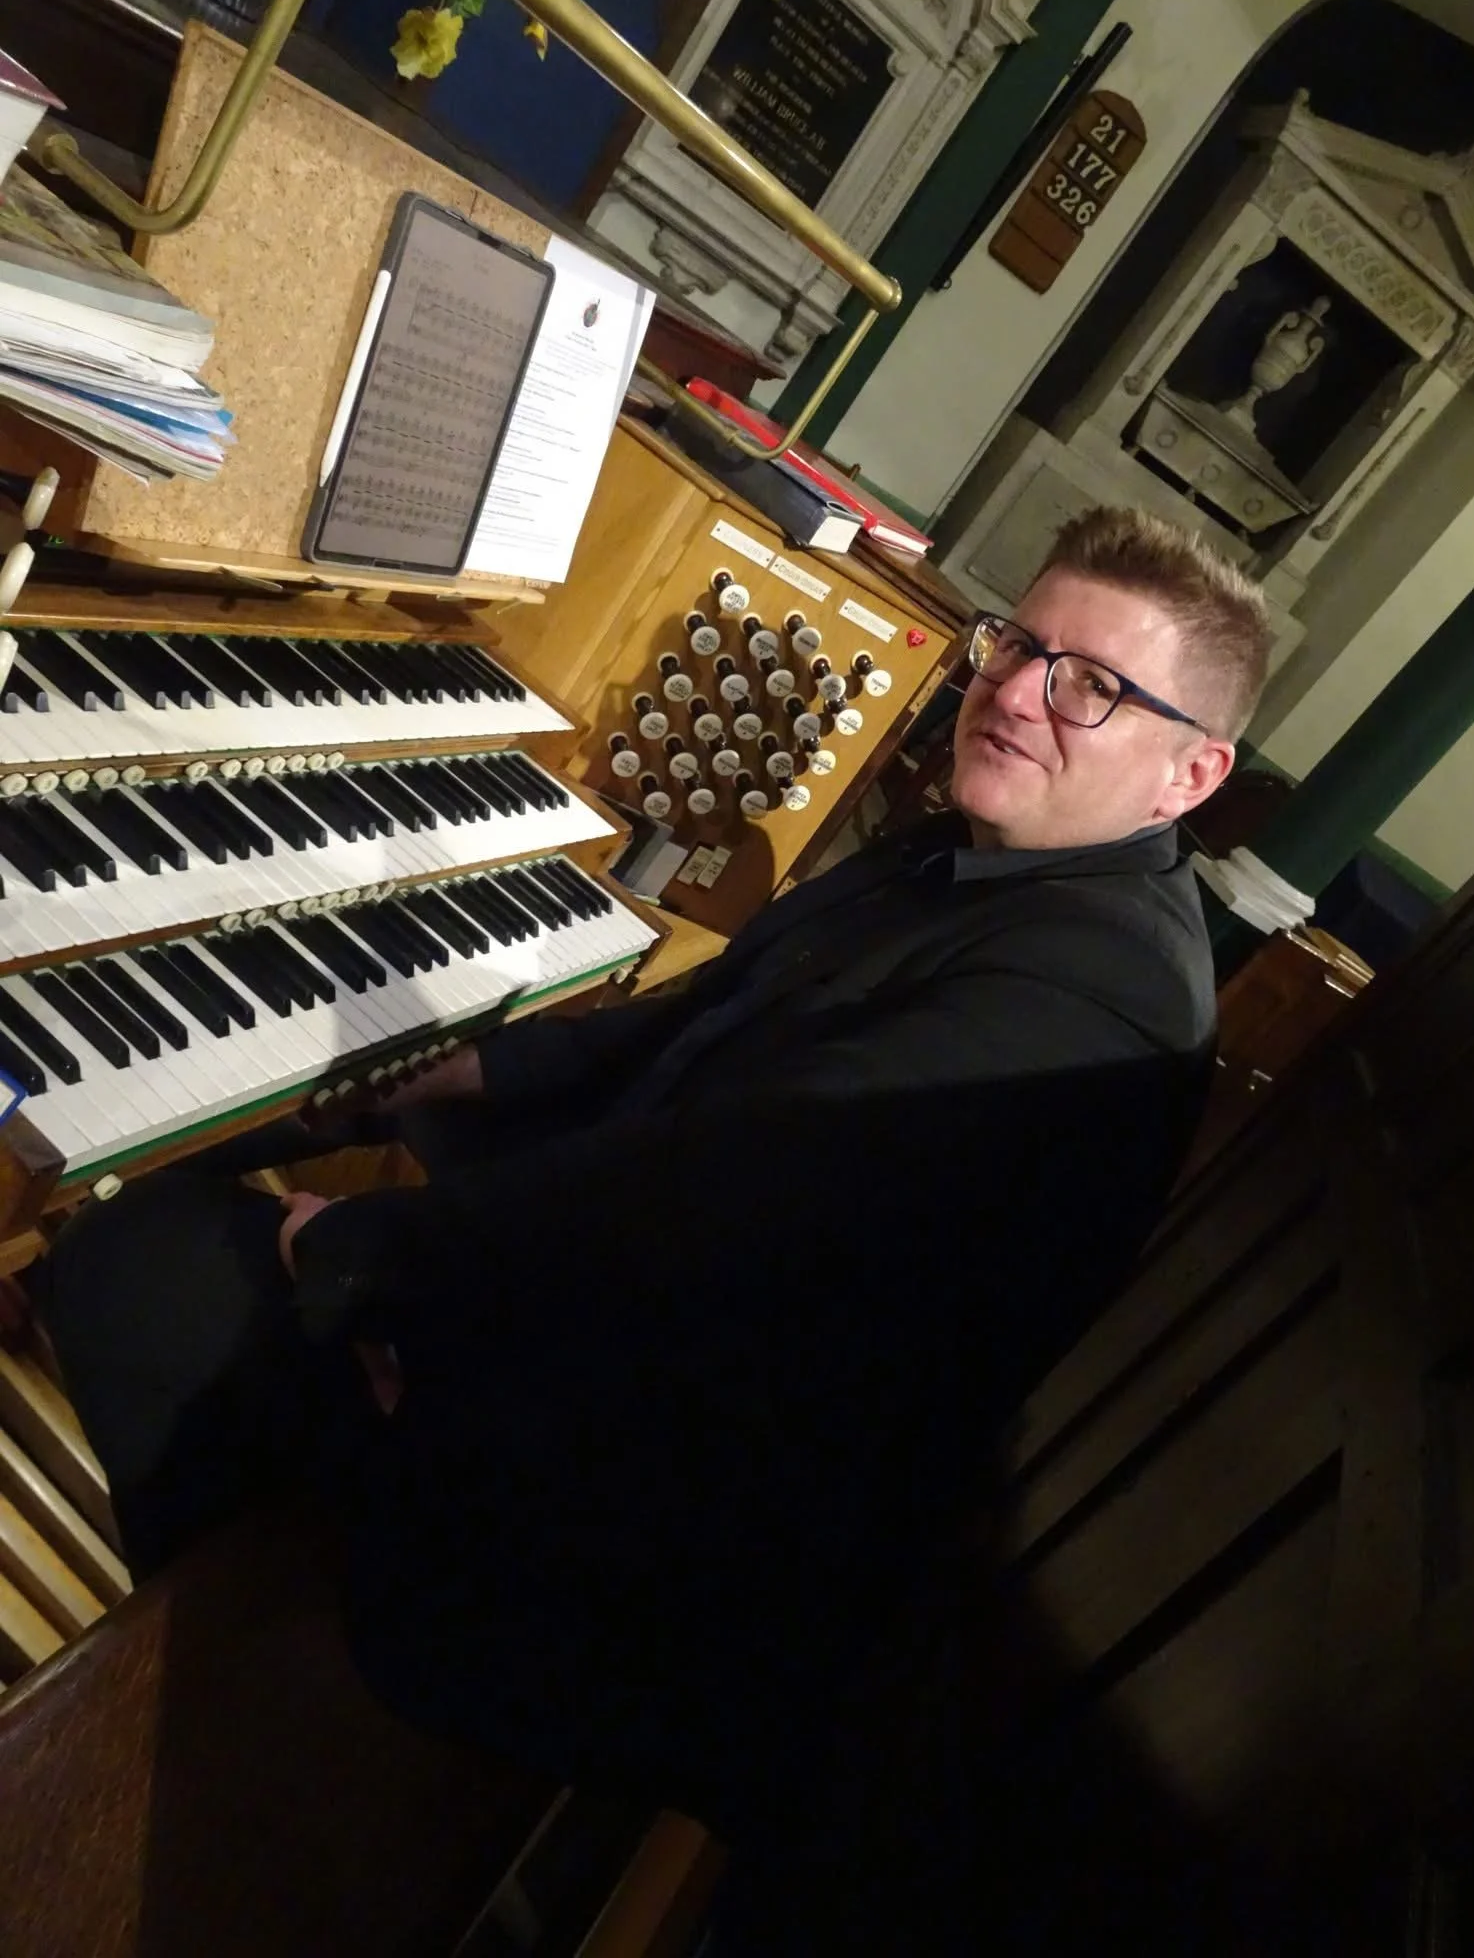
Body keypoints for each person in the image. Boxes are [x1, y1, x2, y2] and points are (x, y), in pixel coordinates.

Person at [31, 505, 1269, 1841]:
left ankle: (212, 1736)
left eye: (1090, 685)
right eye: (1017, 643)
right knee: (235, 1134)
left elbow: (700, 1217)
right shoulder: (965, 858)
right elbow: (702, 1027)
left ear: (1188, 777)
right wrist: (475, 1076)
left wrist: (369, 1265)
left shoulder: (1097, 994)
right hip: (617, 1364)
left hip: (638, 1548)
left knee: (134, 1250)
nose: (1017, 692)